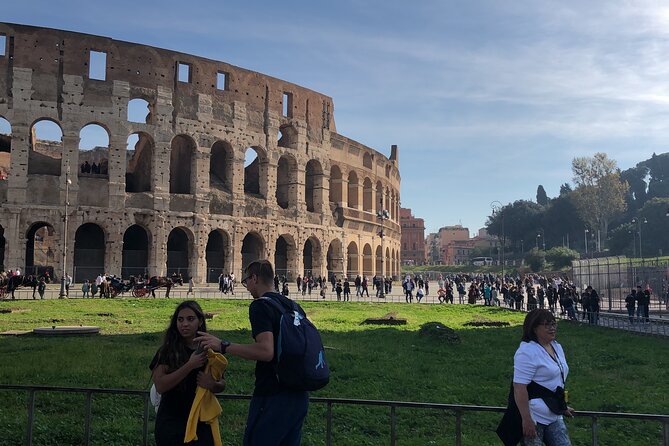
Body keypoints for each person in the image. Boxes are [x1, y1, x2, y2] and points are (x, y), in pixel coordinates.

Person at [195, 260, 309, 446]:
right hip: (299, 395)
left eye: (246, 280)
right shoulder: (293, 306)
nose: (246, 286)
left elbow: (266, 351)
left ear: (254, 278)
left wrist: (222, 345)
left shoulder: (260, 306)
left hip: (273, 395)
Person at [150, 300, 226, 446]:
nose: (184, 324)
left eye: (190, 319)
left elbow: (222, 382)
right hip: (172, 422)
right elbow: (160, 385)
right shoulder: (167, 351)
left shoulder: (210, 349)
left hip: (201, 422)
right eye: (180, 319)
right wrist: (189, 365)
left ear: (200, 321)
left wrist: (213, 384)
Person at [503, 309, 574, 445]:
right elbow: (519, 387)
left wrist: (562, 406)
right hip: (535, 416)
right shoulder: (527, 351)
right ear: (534, 328)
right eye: (547, 325)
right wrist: (526, 419)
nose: (552, 328)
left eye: (554, 324)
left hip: (554, 414)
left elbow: (556, 381)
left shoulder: (556, 347)